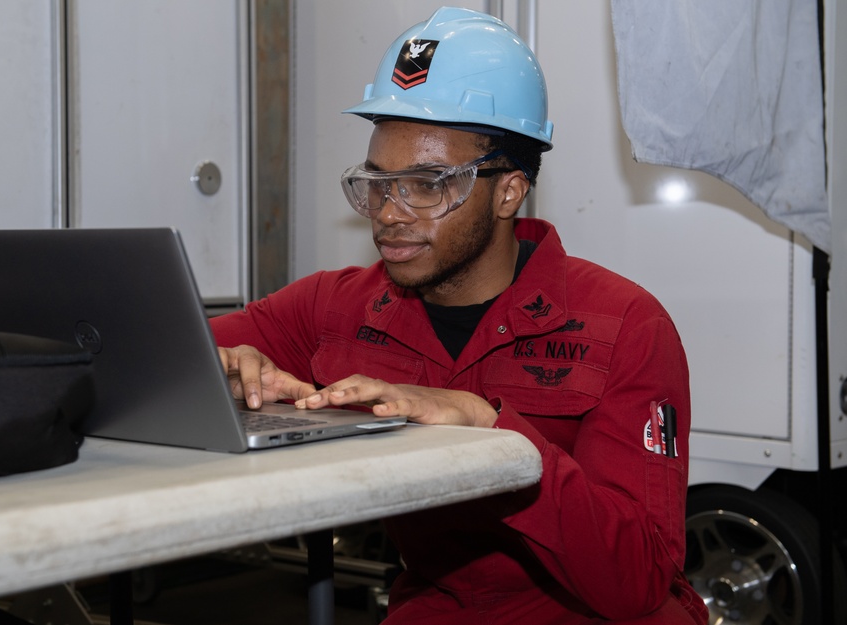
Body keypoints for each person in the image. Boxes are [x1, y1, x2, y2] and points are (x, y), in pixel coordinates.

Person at [211, 6, 708, 624]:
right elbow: (160, 351)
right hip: (438, 607)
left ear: (508, 190)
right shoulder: (336, 307)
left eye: (427, 184)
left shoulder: (623, 326)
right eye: (378, 182)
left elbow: (635, 578)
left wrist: (493, 435)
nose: (389, 212)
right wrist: (223, 367)